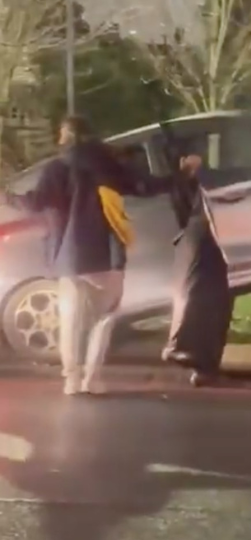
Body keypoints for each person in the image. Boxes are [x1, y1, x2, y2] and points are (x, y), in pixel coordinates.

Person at [3, 116, 199, 395]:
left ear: (65, 138)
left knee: (70, 318)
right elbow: (147, 187)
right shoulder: (111, 166)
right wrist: (182, 175)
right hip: (108, 254)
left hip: (70, 256)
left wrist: (7, 197)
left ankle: (71, 379)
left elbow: (35, 202)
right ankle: (92, 378)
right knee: (103, 317)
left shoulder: (56, 169)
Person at [160, 138, 236, 387]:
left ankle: (204, 365)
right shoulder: (197, 187)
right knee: (206, 306)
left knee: (211, 306)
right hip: (206, 253)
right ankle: (196, 360)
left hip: (210, 253)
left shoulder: (190, 186)